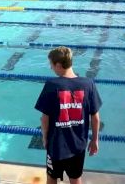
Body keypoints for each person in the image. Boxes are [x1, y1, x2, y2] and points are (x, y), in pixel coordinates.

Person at [35, 47, 102, 184]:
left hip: (56, 146)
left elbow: (44, 118)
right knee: (76, 179)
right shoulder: (88, 84)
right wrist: (95, 140)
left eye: (51, 65)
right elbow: (95, 117)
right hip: (78, 146)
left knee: (52, 178)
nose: (51, 68)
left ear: (58, 65)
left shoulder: (51, 85)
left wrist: (44, 138)